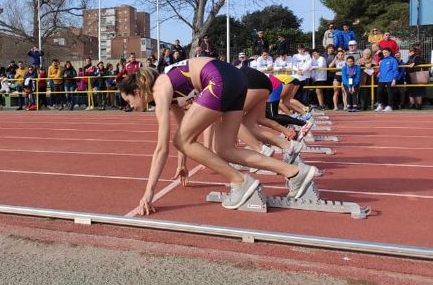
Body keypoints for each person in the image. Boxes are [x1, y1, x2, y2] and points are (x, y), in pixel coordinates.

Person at [118, 59, 317, 214]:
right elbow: (185, 130)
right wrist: (182, 164)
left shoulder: (160, 89)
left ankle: (240, 182)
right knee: (224, 149)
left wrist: (148, 193)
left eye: (129, 101)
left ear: (137, 91)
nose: (131, 107)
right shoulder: (170, 90)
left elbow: (163, 147)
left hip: (219, 78)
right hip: (236, 79)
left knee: (181, 140)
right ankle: (295, 172)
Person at [375, 47, 399, 112]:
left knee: (390, 92)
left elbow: (395, 70)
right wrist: (379, 73)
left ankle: (389, 106)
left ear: (390, 52)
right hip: (382, 79)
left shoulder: (393, 60)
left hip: (390, 78)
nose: (384, 54)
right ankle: (380, 105)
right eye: (383, 53)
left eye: (386, 52)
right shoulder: (382, 61)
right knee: (379, 92)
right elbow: (380, 69)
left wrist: (394, 79)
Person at [405, 45, 425, 110]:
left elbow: (421, 62)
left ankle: (418, 105)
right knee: (411, 91)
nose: (410, 52)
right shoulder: (410, 58)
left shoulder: (417, 57)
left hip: (416, 77)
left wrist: (415, 63)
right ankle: (412, 104)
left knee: (417, 91)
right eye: (410, 51)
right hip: (410, 77)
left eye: (411, 51)